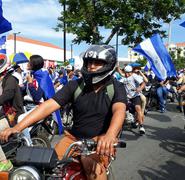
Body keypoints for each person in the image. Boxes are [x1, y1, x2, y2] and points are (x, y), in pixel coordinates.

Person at [0, 45, 127, 180]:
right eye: (89, 62)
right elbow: (48, 106)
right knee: (49, 167)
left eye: (98, 63)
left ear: (109, 65)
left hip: (100, 140)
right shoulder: (75, 85)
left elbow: (119, 110)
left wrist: (110, 135)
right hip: (73, 139)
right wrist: (17, 128)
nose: (92, 66)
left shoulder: (116, 87)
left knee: (89, 164)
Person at [0, 56, 24, 171]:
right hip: (5, 114)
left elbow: (6, 96)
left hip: (12, 115)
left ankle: (4, 162)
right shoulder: (3, 78)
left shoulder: (10, 79)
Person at [120, 65, 146, 134]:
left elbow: (143, 83)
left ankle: (141, 126)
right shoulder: (123, 78)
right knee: (120, 108)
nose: (127, 74)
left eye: (128, 72)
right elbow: (118, 82)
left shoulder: (134, 76)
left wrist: (139, 88)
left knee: (138, 108)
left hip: (135, 96)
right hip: (127, 97)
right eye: (125, 72)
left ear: (131, 72)